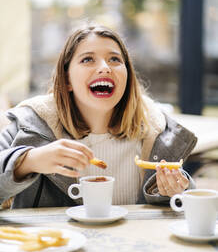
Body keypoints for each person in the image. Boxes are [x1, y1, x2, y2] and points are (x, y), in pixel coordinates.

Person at [0, 23, 197, 208]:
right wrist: (28, 162)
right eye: (87, 59)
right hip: (55, 244)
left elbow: (189, 204)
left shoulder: (158, 133)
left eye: (115, 59)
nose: (105, 67)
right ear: (67, 79)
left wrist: (179, 190)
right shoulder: (29, 125)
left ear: (127, 77)